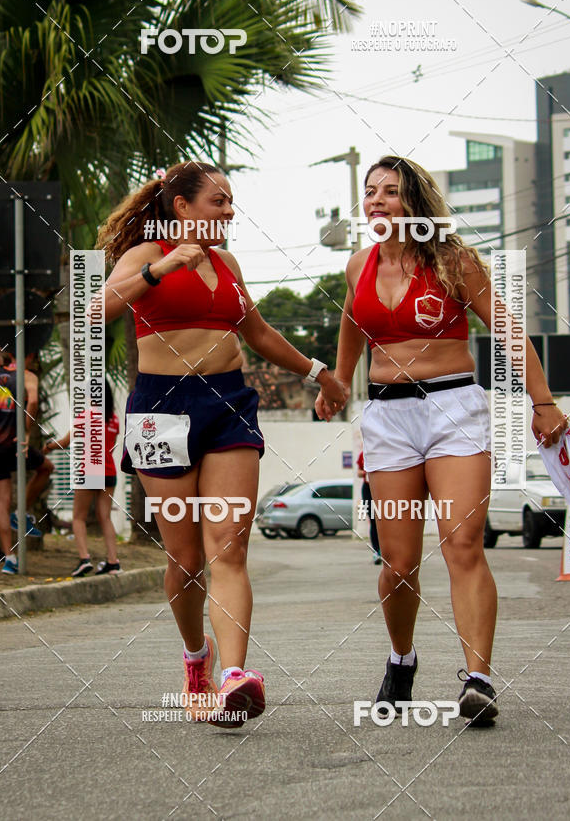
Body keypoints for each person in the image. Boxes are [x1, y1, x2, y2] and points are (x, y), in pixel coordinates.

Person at [317, 155, 568, 724]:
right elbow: (353, 326)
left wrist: (543, 400)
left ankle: (478, 679)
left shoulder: (453, 262)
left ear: (415, 202)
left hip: (452, 409)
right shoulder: (359, 264)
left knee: (463, 544)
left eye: (390, 191)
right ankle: (401, 659)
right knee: (398, 562)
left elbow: (506, 328)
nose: (377, 201)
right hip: (386, 417)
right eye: (370, 192)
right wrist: (336, 383)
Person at [95, 161, 347, 727]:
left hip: (229, 403)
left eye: (231, 202)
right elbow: (97, 310)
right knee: (184, 560)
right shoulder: (144, 256)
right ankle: (196, 659)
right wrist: (161, 270)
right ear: (181, 207)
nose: (229, 212)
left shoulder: (228, 264)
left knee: (229, 548)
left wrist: (318, 373)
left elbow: (256, 333)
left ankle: (235, 676)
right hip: (159, 412)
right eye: (218, 201)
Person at [44, 380, 121, 576]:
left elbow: (64, 442)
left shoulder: (85, 417)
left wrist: (47, 447)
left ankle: (84, 559)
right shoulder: (114, 420)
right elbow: (110, 445)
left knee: (78, 517)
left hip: (89, 471)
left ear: (91, 396)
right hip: (109, 472)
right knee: (105, 518)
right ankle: (113, 562)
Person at [0, 350, 55, 573]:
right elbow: (32, 402)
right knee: (47, 468)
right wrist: (26, 431)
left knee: (1, 503)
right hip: (14, 443)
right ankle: (20, 512)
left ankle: (10, 558)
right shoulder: (26, 375)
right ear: (29, 354)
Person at [357, 450, 381, 563]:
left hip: (382, 486)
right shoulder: (363, 454)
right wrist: (364, 472)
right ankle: (376, 551)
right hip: (367, 488)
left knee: (385, 518)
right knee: (373, 520)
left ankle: (387, 550)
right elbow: (358, 472)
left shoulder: (382, 452)